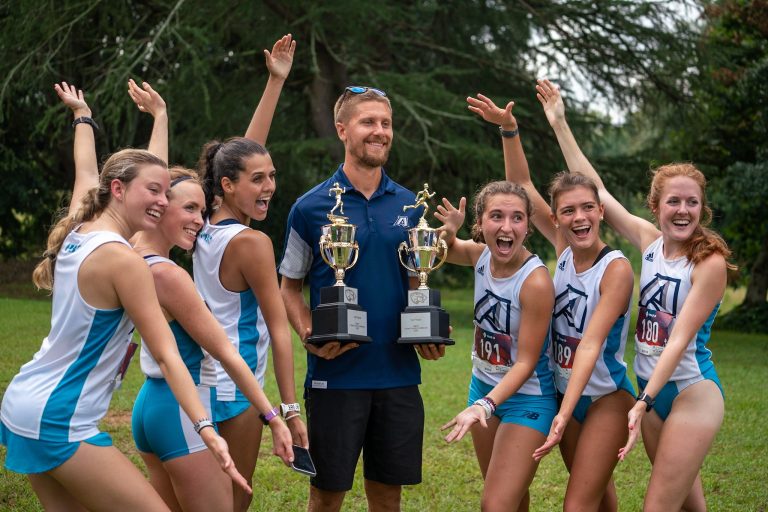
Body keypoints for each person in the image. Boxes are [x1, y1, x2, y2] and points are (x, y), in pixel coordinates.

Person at [0, 82, 246, 511]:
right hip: (60, 418)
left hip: (24, 403)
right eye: (155, 192)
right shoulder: (125, 261)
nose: (163, 201)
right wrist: (206, 429)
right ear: (118, 189)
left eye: (166, 193)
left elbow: (90, 171)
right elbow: (167, 355)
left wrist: (85, 118)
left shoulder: (80, 227)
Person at [70, 78, 293, 510]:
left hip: (150, 405)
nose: (199, 220)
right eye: (189, 209)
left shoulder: (130, 247)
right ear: (157, 208)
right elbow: (224, 353)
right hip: (182, 405)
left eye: (201, 209)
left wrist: (153, 118)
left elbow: (119, 176)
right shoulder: (165, 274)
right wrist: (280, 414)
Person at [536, 78, 733, 511]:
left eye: (692, 203)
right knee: (689, 504)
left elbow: (678, 340)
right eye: (674, 202)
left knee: (657, 504)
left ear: (702, 208)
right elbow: (598, 191)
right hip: (651, 389)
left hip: (690, 389)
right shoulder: (650, 243)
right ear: (655, 206)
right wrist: (560, 123)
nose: (683, 210)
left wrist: (643, 401)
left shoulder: (709, 262)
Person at [466, 93, 636, 511]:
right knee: (599, 500)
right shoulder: (563, 251)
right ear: (556, 219)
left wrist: (564, 411)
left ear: (601, 212)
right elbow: (522, 187)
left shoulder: (615, 268)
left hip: (604, 397)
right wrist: (509, 131)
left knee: (578, 504)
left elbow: (590, 345)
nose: (579, 218)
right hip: (564, 392)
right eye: (569, 211)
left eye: (588, 208)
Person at [279, 86, 445, 512]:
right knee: (326, 496)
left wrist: (425, 330)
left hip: (398, 376)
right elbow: (289, 287)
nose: (380, 131)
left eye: (386, 123)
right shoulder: (309, 207)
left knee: (388, 498)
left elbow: (417, 281)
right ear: (342, 130)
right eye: (368, 122)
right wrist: (308, 332)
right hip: (336, 376)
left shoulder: (410, 205)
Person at [194, 34, 308, 512]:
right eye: (258, 180)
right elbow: (279, 329)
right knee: (233, 503)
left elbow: (240, 154)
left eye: (272, 176)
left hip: (195, 383)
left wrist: (274, 83)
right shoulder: (252, 243)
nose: (269, 187)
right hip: (236, 391)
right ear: (227, 185)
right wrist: (290, 409)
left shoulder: (200, 221)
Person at [437, 181, 557, 512]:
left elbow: (526, 363)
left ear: (528, 226)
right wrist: (448, 232)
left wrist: (485, 405)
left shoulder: (535, 281)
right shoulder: (481, 256)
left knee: (495, 504)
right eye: (496, 216)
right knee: (511, 499)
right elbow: (442, 252)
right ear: (480, 223)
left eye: (517, 218)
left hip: (527, 398)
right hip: (483, 386)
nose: (507, 227)